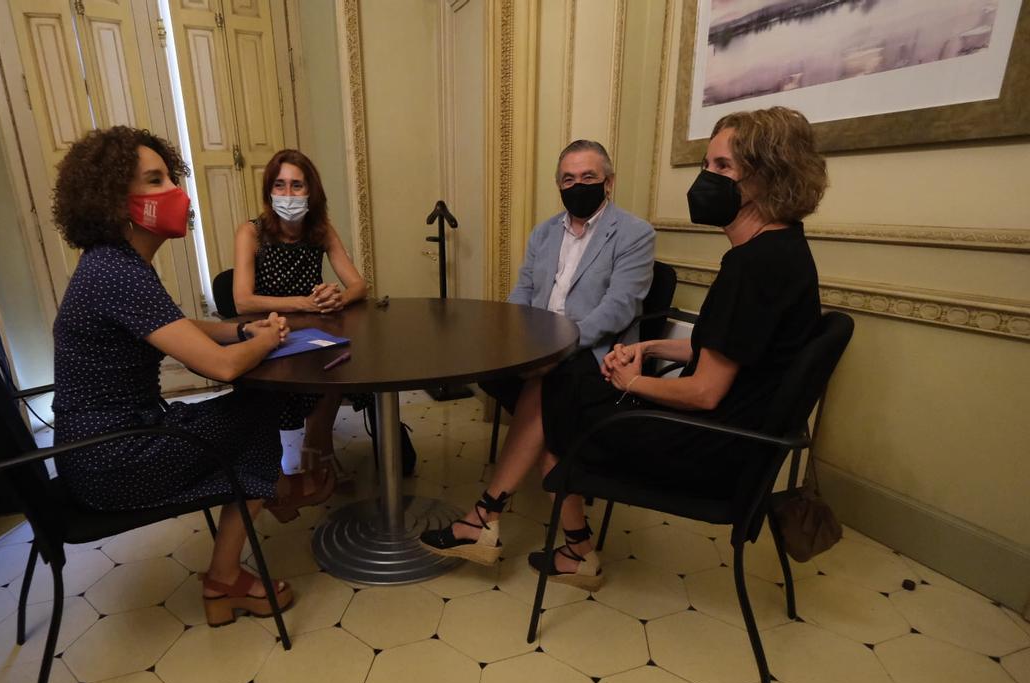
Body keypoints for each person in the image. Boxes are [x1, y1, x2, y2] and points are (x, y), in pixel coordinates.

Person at [529, 106, 828, 589]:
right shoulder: (784, 250)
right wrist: (648, 349)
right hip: (737, 436)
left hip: (709, 450)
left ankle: (575, 550)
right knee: (571, 381)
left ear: (767, 176)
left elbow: (705, 392)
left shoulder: (752, 268)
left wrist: (631, 381)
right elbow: (728, 350)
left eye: (722, 166)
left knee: (559, 392)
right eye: (707, 164)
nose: (705, 178)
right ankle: (544, 531)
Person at [51, 126, 315, 626]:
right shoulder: (117, 272)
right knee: (259, 412)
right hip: (114, 460)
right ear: (114, 200)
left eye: (170, 177)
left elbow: (177, 326)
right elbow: (221, 367)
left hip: (103, 448)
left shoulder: (114, 264)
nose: (175, 190)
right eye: (155, 181)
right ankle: (225, 577)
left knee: (249, 415)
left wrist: (243, 330)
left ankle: (254, 523)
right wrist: (267, 339)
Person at [420, 139, 655, 567]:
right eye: (568, 179)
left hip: (597, 357)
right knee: (507, 381)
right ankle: (579, 548)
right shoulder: (544, 232)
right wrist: (514, 338)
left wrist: (556, 348)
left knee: (551, 388)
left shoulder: (635, 233)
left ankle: (484, 516)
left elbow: (619, 307)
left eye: (588, 177)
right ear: (558, 185)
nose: (577, 186)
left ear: (609, 182)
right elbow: (524, 292)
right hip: (542, 352)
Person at [231, 149, 369, 496]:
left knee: (339, 368)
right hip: (268, 332)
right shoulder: (251, 232)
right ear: (269, 191)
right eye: (280, 185)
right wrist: (303, 302)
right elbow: (243, 300)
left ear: (311, 191)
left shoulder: (320, 231)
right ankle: (282, 472)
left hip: (314, 333)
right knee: (282, 386)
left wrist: (337, 297)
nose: (288, 194)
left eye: (297, 185)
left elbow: (359, 285)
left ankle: (317, 455)